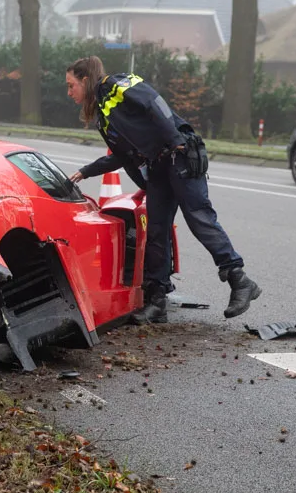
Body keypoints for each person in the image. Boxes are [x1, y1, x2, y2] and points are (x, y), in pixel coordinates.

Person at [65, 56, 261, 324]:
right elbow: (122, 155)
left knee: (199, 217)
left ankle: (240, 281)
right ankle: (157, 302)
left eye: (71, 85)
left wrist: (175, 141)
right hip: (158, 166)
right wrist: (87, 171)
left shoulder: (117, 84)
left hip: (179, 155)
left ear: (85, 80)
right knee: (157, 231)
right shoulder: (103, 116)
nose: (69, 92)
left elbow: (153, 102)